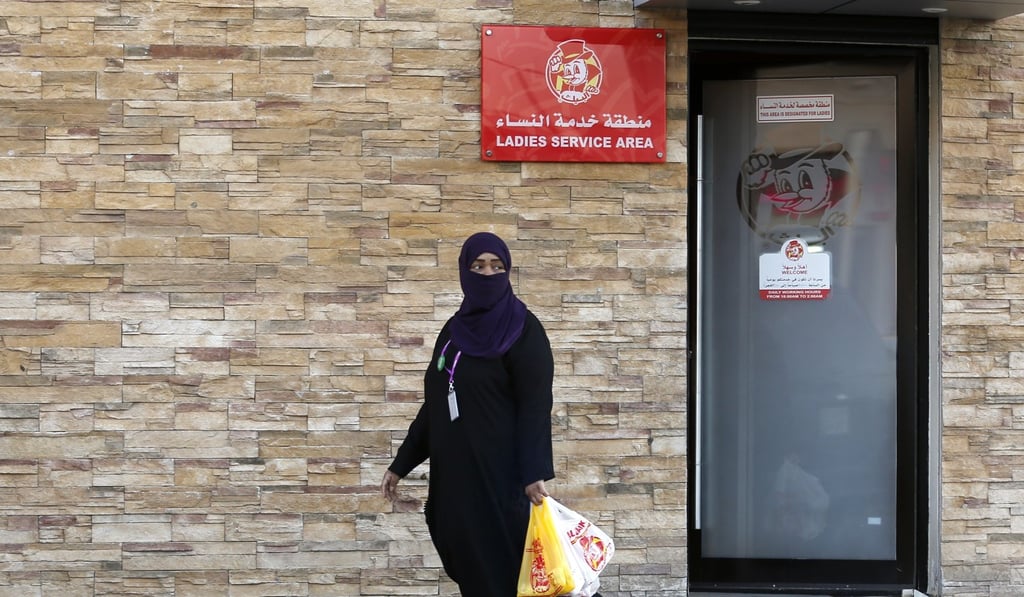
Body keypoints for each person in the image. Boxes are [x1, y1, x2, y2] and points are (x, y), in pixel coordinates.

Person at [381, 231, 555, 597]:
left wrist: (533, 472)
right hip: (456, 482)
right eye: (478, 266)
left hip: (501, 481)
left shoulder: (524, 329)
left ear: (508, 272)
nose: (487, 274)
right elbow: (436, 403)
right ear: (463, 271)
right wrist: (402, 463)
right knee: (472, 570)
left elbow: (535, 406)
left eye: (496, 266)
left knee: (508, 573)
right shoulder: (453, 331)